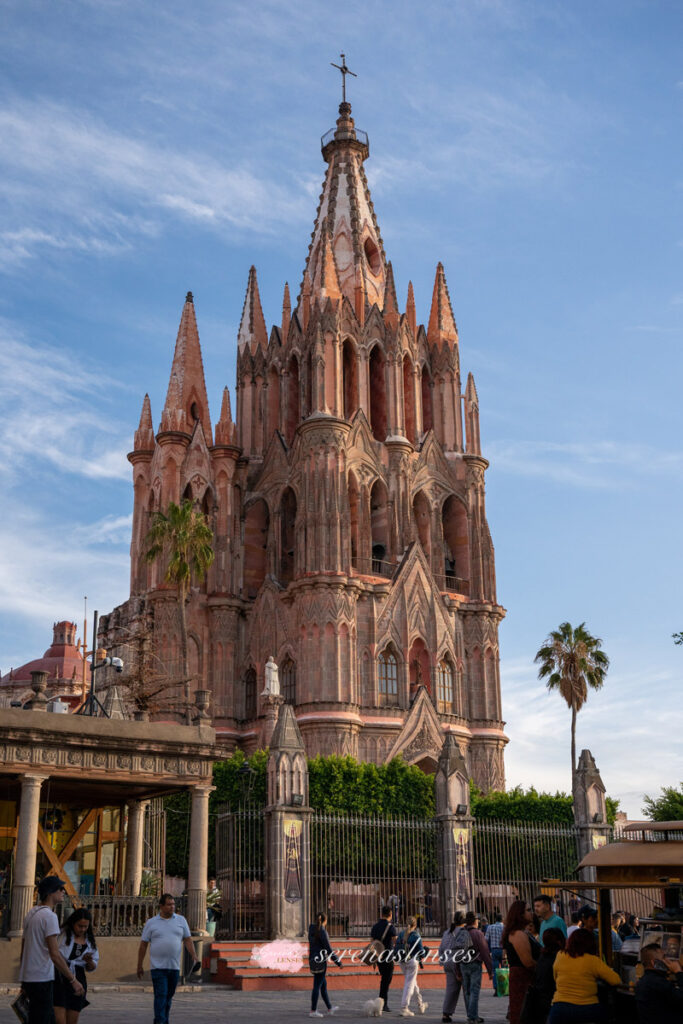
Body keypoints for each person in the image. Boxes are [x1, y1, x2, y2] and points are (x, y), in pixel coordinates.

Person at [18, 876, 85, 1024]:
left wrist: (23, 979)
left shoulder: (31, 913)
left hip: (30, 977)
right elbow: (54, 954)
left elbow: (24, 949)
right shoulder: (49, 916)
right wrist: (73, 980)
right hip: (41, 978)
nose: (63, 891)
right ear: (50, 893)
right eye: (60, 889)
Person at [137, 893, 197, 1024]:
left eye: (173, 904)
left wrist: (194, 955)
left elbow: (187, 939)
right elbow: (143, 945)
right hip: (158, 967)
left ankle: (163, 1020)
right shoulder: (151, 923)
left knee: (169, 997)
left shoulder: (181, 921)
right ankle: (160, 1021)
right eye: (169, 904)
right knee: (161, 995)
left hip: (174, 967)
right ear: (161, 906)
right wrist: (139, 965)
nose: (172, 907)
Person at [548, 927, 620, 1023]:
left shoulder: (560, 955)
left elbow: (555, 977)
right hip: (587, 1010)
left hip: (559, 1009)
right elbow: (615, 980)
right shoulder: (592, 960)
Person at [54, 908, 99, 1024]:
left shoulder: (89, 940)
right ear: (73, 923)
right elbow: (54, 954)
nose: (83, 929)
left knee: (72, 1019)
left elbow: (93, 966)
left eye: (85, 926)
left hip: (78, 978)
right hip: (60, 977)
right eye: (80, 926)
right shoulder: (62, 934)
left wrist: (89, 962)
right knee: (59, 1020)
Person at [503, 900, 541, 1024]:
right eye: (528, 910)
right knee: (522, 1013)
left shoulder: (523, 932)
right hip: (523, 979)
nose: (532, 913)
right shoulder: (518, 934)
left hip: (525, 979)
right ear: (520, 914)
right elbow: (528, 962)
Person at [523, 927, 565, 1024]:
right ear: (559, 942)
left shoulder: (543, 956)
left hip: (540, 1000)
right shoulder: (559, 957)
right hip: (551, 1000)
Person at [634, 941, 683, 1023]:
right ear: (654, 963)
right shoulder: (658, 982)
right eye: (663, 957)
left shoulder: (643, 981)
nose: (667, 960)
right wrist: (678, 972)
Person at [457, 911, 493, 1024]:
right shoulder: (478, 934)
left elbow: (455, 953)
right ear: (475, 921)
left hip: (463, 964)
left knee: (467, 991)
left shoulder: (460, 934)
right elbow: (485, 952)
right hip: (475, 964)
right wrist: (490, 970)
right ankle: (473, 1016)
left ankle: (471, 1015)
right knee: (474, 991)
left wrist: (456, 969)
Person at [308, 911, 341, 1018]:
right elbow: (329, 950)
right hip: (321, 961)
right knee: (317, 986)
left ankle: (329, 1008)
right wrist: (338, 962)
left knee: (323, 985)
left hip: (313, 960)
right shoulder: (322, 931)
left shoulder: (311, 929)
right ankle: (313, 1011)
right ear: (325, 921)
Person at [396, 915, 428, 1017]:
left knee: (413, 982)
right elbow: (421, 952)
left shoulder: (401, 934)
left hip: (402, 961)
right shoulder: (416, 936)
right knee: (409, 984)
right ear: (415, 925)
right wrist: (425, 952)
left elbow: (396, 946)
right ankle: (404, 1007)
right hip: (412, 961)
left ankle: (420, 1004)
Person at [370, 905, 396, 1014]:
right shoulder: (391, 927)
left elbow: (372, 943)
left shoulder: (375, 926)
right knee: (386, 981)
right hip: (388, 957)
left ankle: (382, 1002)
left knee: (384, 980)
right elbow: (395, 941)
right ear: (390, 914)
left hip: (379, 957)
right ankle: (383, 1003)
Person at [439, 911, 464, 1023]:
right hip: (457, 963)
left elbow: (441, 948)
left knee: (451, 990)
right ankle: (471, 1013)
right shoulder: (463, 932)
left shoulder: (447, 932)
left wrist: (442, 960)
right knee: (468, 990)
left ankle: (446, 1013)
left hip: (447, 962)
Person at [485, 912, 505, 996]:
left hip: (494, 950)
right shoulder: (505, 927)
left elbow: (486, 939)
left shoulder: (490, 927)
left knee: (495, 970)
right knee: (504, 969)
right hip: (503, 951)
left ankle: (496, 989)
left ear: (495, 919)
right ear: (502, 919)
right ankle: (504, 988)